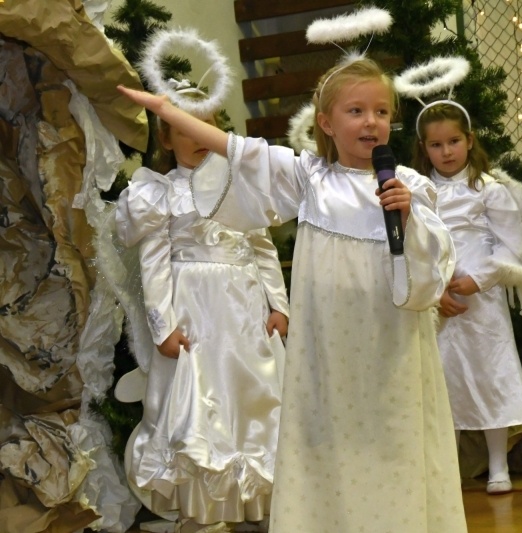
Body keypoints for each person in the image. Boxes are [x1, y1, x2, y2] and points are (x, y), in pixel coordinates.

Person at [118, 55, 468, 533]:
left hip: (392, 350)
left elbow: (431, 270)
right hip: (331, 353)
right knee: (335, 444)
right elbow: (236, 149)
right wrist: (168, 109)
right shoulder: (309, 179)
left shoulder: (409, 186)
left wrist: (409, 218)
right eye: (357, 111)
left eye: (382, 112)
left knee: (395, 440)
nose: (372, 122)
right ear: (326, 122)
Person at [115, 95, 289, 531]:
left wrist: (278, 305)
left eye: (206, 127)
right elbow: (154, 264)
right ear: (167, 138)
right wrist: (163, 326)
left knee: (254, 404)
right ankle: (206, 510)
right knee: (200, 411)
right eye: (184, 129)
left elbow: (263, 248)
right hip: (195, 317)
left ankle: (260, 503)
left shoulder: (239, 185)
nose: (197, 138)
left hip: (245, 314)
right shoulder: (161, 193)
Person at [412, 101, 522, 494]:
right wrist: (432, 288)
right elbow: (411, 246)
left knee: (490, 377)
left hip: (482, 303)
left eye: (454, 141)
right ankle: (447, 468)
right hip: (436, 304)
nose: (446, 152)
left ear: (469, 140)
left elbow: (513, 247)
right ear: (423, 148)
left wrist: (478, 279)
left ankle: (498, 465)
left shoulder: (489, 190)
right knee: (444, 382)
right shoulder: (418, 191)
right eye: (436, 145)